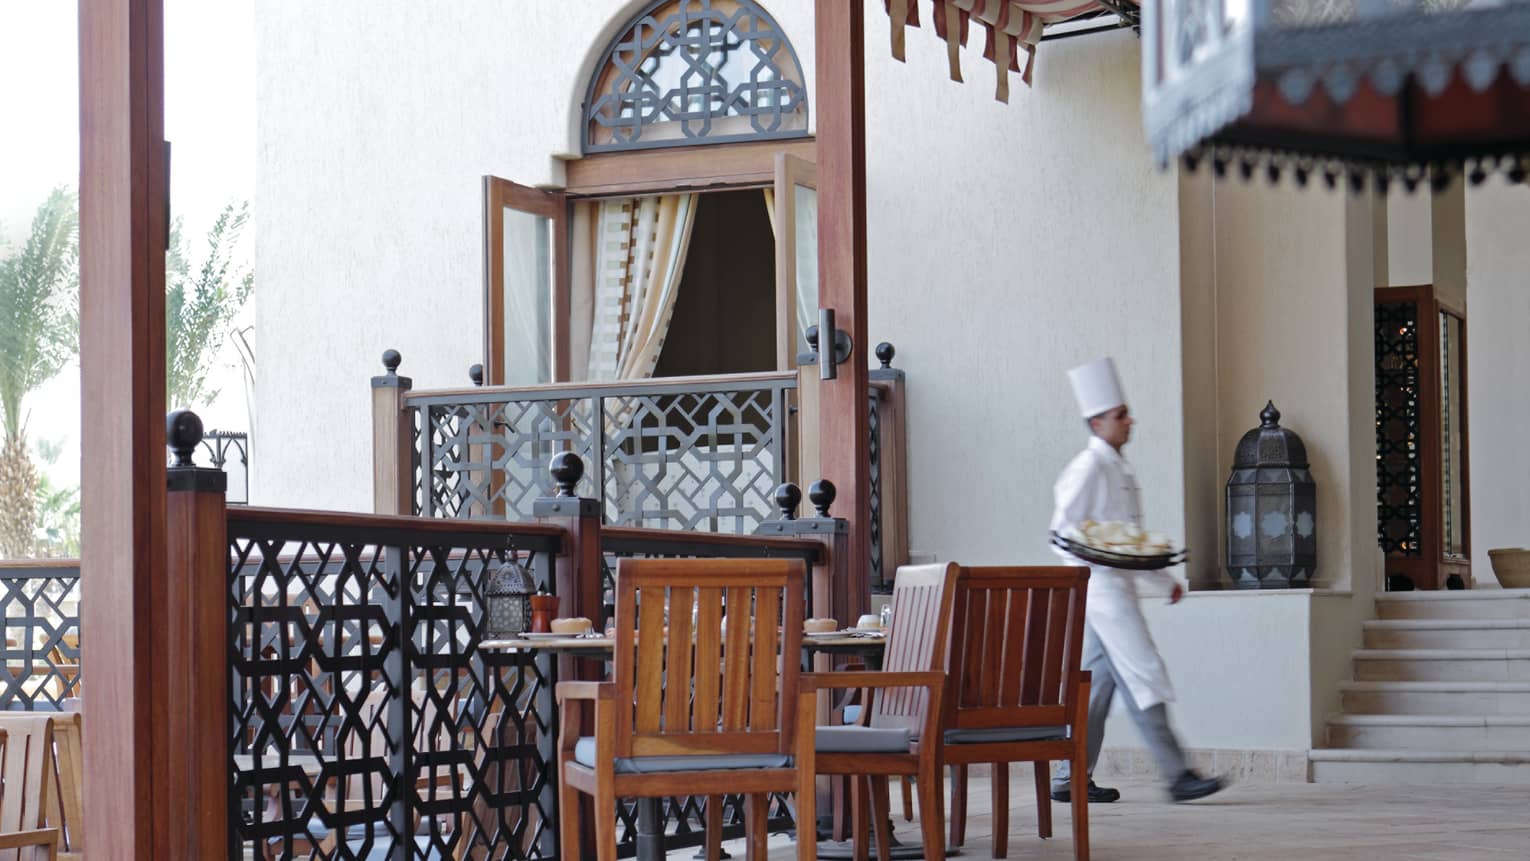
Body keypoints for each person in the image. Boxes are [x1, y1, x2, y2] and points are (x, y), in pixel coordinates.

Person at [1049, 357, 1224, 804]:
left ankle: (1070, 778)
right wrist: (1099, 568)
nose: (1129, 421)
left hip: (1113, 588)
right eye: (1120, 414)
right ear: (1096, 422)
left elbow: (1127, 541)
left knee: (1097, 687)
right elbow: (1063, 533)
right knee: (1144, 673)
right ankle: (1177, 774)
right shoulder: (1088, 467)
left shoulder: (1116, 467)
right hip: (1102, 593)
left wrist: (1164, 582)